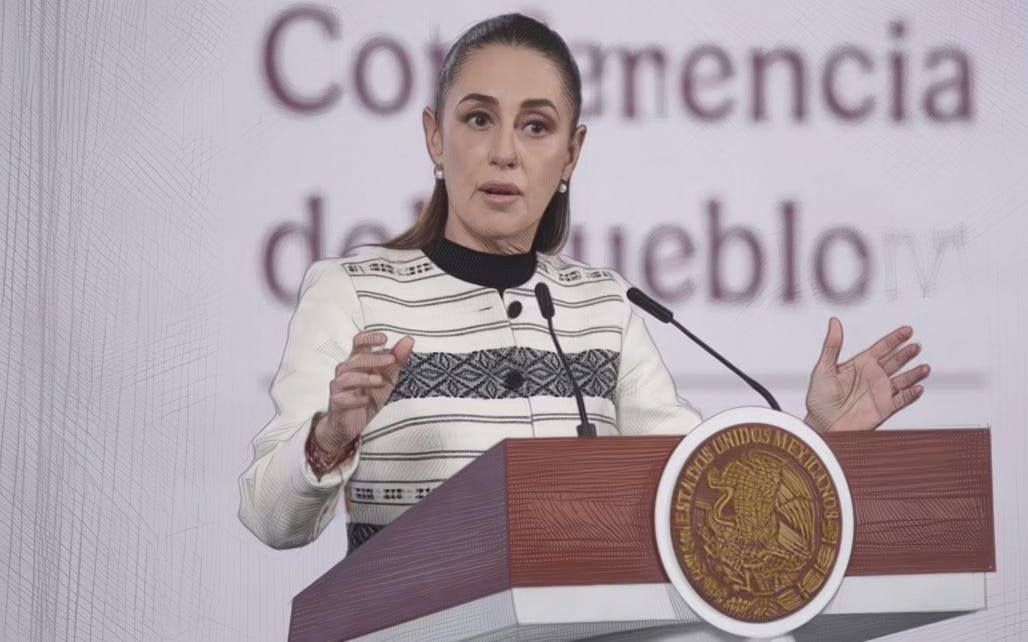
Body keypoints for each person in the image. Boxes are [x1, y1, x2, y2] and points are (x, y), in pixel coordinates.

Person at [238, 14, 930, 552]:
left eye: (536, 126)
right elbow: (270, 519)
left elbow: (696, 497)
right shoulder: (353, 291)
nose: (505, 152)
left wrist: (815, 438)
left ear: (571, 153)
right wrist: (330, 436)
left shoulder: (606, 307)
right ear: (434, 137)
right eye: (478, 119)